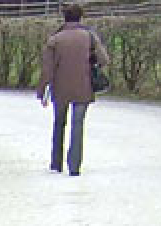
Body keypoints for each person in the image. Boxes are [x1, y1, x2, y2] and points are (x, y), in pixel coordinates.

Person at [36, 4, 112, 177]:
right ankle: (74, 166)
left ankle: (56, 163)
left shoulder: (55, 39)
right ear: (81, 18)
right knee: (78, 125)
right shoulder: (89, 36)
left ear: (64, 18)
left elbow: (47, 70)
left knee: (59, 124)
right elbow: (104, 60)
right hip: (83, 87)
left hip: (60, 88)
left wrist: (42, 92)